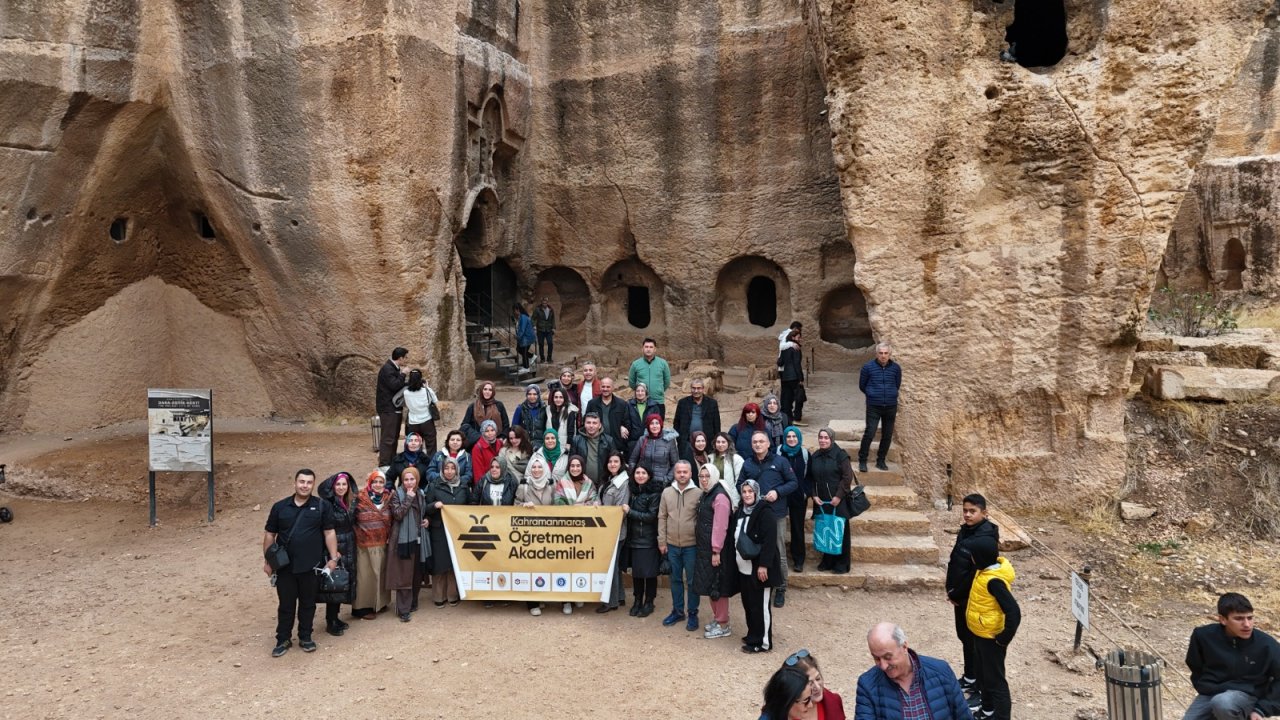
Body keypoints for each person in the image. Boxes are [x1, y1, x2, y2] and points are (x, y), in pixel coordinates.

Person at [263, 469, 338, 657]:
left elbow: (329, 533)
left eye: (309, 482)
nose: (305, 485)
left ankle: (305, 637)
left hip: (311, 566)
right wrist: (268, 561)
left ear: (313, 485)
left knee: (308, 603)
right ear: (295, 483)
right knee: (286, 605)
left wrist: (333, 558)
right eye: (302, 481)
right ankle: (283, 639)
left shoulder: (321, 507)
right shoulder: (280, 507)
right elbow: (270, 534)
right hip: (284, 567)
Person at [1183, 592, 1280, 720]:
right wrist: (1205, 686)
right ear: (1222, 619)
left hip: (1247, 695)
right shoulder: (1202, 636)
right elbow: (1195, 665)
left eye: (1250, 618)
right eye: (1239, 619)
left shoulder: (1267, 644)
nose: (1247, 624)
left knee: (1223, 703)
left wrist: (1262, 709)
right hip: (1211, 693)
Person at [947, 493, 1001, 707]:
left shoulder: (985, 539)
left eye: (972, 511)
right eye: (965, 510)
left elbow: (976, 573)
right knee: (965, 638)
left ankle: (980, 688)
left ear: (984, 513)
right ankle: (970, 676)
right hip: (959, 597)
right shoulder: (966, 531)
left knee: (977, 645)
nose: (968, 515)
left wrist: (957, 593)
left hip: (972, 599)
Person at [855, 622, 971, 720]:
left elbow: (964, 716)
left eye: (888, 657)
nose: (883, 666)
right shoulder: (867, 684)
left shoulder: (941, 671)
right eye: (876, 658)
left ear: (904, 647)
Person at [742, 430, 798, 608]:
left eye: (761, 441)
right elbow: (739, 484)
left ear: (768, 443)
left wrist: (777, 492)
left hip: (776, 513)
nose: (758, 444)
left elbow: (793, 482)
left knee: (779, 551)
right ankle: (762, 583)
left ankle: (781, 587)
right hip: (755, 514)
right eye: (755, 442)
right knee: (758, 549)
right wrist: (748, 495)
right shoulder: (748, 463)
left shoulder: (780, 461)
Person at [966, 536, 1020, 720]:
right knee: (983, 675)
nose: (971, 558)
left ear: (979, 557)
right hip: (980, 633)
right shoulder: (983, 572)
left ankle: (1002, 716)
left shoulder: (994, 581)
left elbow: (1013, 611)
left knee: (996, 681)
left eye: (972, 555)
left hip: (991, 638)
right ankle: (987, 709)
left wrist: (1003, 638)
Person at [735, 478, 781, 653]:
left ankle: (763, 642)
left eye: (750, 492)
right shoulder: (740, 511)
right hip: (744, 568)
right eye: (744, 492)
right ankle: (753, 635)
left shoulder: (765, 511)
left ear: (756, 493)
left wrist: (764, 565)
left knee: (760, 606)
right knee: (749, 604)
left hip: (759, 568)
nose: (747, 495)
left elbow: (770, 541)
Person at [658, 460, 703, 631]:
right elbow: (662, 517)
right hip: (671, 545)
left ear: (691, 473)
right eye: (679, 472)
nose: (682, 474)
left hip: (692, 545)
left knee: (691, 581)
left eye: (685, 471)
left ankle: (692, 613)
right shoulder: (667, 492)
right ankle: (677, 611)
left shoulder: (699, 493)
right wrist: (662, 541)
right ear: (674, 473)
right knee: (675, 579)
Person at [692, 463, 735, 640]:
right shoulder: (708, 493)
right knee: (710, 585)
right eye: (701, 476)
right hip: (706, 548)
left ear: (714, 476)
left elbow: (720, 525)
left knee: (718, 586)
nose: (704, 479)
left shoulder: (720, 497)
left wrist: (716, 551)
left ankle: (723, 624)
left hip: (717, 551)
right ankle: (718, 619)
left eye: (707, 476)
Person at [553, 455, 599, 615]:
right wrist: (579, 507)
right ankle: (566, 600)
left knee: (580, 564)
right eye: (572, 466)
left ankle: (578, 594)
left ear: (582, 467)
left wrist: (579, 506)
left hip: (583, 530)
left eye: (578, 466)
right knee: (565, 565)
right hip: (565, 531)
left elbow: (595, 501)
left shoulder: (589, 483)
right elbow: (558, 502)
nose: (575, 468)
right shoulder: (562, 482)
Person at [385, 466, 429, 622]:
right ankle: (403, 609)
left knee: (416, 573)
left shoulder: (421, 493)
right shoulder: (397, 494)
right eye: (406, 479)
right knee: (404, 574)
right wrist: (408, 498)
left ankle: (413, 602)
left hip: (418, 538)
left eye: (412, 479)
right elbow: (398, 514)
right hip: (402, 540)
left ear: (417, 480)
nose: (409, 482)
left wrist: (426, 520)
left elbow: (422, 512)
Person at [425, 457, 470, 607]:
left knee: (454, 562)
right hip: (439, 529)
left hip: (457, 530)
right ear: (442, 469)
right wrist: (434, 505)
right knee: (440, 563)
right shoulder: (434, 485)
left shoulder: (463, 485)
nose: (449, 471)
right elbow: (426, 507)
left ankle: (452, 594)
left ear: (457, 470)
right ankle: (439, 596)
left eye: (452, 468)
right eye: (446, 468)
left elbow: (470, 505)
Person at [317, 472, 358, 636]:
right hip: (336, 547)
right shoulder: (327, 504)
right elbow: (325, 529)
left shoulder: (348, 502)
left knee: (342, 581)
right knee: (334, 582)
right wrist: (332, 551)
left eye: (344, 484)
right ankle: (331, 620)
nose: (341, 487)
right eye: (338, 484)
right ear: (332, 486)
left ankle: (335, 617)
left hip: (349, 544)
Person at [516, 454, 556, 617]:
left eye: (540, 467)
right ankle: (532, 602)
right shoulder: (524, 486)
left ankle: (542, 597)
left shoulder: (552, 486)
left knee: (545, 566)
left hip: (547, 534)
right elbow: (515, 505)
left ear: (545, 469)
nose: (537, 470)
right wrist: (523, 505)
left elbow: (557, 507)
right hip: (529, 534)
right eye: (534, 467)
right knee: (530, 567)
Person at [809, 427, 853, 574]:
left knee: (840, 531)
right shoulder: (815, 456)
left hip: (838, 500)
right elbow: (810, 478)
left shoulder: (841, 455)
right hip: (822, 501)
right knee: (826, 530)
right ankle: (827, 561)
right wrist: (814, 495)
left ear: (832, 439)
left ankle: (842, 563)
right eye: (820, 437)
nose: (823, 440)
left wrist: (838, 496)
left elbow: (847, 477)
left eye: (826, 438)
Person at [622, 464, 662, 618]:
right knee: (637, 573)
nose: (640, 475)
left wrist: (630, 512)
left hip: (648, 539)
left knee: (650, 574)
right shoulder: (632, 491)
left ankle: (649, 601)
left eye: (643, 473)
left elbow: (651, 516)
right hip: (633, 539)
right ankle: (637, 600)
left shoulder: (654, 494)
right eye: (637, 473)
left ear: (649, 475)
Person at [352, 470, 392, 620]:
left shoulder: (388, 498)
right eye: (375, 482)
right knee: (365, 577)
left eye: (381, 482)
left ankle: (379, 604)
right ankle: (361, 608)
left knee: (380, 574)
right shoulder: (360, 498)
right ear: (370, 483)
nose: (378, 485)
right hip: (364, 545)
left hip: (382, 543)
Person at [858, 343, 901, 473]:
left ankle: (881, 460)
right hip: (874, 406)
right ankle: (862, 460)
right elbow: (862, 385)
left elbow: (897, 384)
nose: (883, 356)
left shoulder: (896, 368)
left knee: (887, 435)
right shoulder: (868, 367)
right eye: (881, 353)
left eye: (886, 353)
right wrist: (872, 394)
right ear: (876, 354)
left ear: (889, 354)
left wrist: (890, 394)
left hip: (890, 406)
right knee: (870, 432)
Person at [597, 451, 631, 613]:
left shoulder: (624, 483)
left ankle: (611, 602)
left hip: (616, 531)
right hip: (606, 530)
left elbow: (620, 510)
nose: (612, 464)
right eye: (610, 461)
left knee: (610, 566)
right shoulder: (608, 479)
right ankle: (619, 597)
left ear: (621, 463)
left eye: (616, 461)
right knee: (615, 565)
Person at [777, 426, 811, 573]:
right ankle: (779, 558)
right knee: (778, 528)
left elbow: (809, 476)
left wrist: (805, 492)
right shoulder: (779, 452)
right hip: (781, 495)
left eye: (794, 436)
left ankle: (798, 560)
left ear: (799, 438)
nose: (791, 439)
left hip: (798, 496)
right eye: (788, 437)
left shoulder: (804, 454)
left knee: (797, 528)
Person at [784, 649, 847, 720]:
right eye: (810, 684)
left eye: (818, 679)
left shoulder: (834, 702)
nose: (817, 687)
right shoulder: (781, 714)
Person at [375, 347, 409, 466]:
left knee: (394, 437)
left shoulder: (393, 368)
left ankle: (392, 462)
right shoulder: (387, 368)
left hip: (393, 408)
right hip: (388, 409)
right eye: (405, 357)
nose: (406, 360)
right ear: (400, 358)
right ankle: (384, 464)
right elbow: (394, 385)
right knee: (388, 438)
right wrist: (403, 374)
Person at [586, 377, 638, 452]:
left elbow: (628, 423)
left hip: (616, 444)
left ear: (613, 388)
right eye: (603, 386)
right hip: (596, 444)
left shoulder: (622, 404)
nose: (605, 389)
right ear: (600, 387)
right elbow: (586, 421)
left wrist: (622, 427)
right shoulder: (592, 403)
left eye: (608, 387)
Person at [674, 378, 721, 459]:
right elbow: (676, 423)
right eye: (694, 388)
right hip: (686, 442)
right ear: (691, 388)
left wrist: (714, 442)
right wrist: (680, 439)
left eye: (698, 388)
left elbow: (716, 424)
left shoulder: (712, 403)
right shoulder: (683, 403)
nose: (696, 391)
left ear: (703, 389)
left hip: (706, 443)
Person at [570, 412, 618, 489]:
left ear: (600, 425)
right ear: (584, 424)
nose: (591, 426)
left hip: (603, 483)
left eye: (594, 423)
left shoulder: (609, 441)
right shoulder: (576, 440)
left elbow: (615, 462)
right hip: (582, 483)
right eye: (588, 422)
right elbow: (571, 462)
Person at [630, 413, 679, 486]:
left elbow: (675, 464)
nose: (654, 426)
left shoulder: (669, 440)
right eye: (651, 423)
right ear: (648, 426)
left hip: (662, 483)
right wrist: (635, 476)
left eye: (657, 423)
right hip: (644, 481)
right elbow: (632, 460)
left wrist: (667, 479)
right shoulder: (642, 439)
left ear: (661, 425)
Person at [628, 338, 672, 418]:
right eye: (646, 347)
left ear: (655, 349)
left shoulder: (663, 363)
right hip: (641, 402)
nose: (648, 349)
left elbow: (667, 381)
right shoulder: (635, 364)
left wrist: (659, 390)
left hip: (658, 401)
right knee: (640, 424)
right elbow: (631, 382)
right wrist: (640, 392)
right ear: (642, 349)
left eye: (651, 347)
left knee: (658, 424)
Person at [461, 381, 509, 450]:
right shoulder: (473, 406)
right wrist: (478, 437)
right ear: (481, 390)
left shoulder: (499, 405)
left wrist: (502, 437)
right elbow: (465, 425)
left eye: (490, 390)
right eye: (485, 389)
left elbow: (506, 424)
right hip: (476, 443)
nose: (487, 392)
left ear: (493, 392)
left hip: (495, 442)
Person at [401, 369, 439, 455]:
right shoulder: (427, 391)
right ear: (420, 379)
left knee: (415, 446)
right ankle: (431, 461)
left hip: (413, 422)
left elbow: (406, 404)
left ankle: (416, 462)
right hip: (427, 421)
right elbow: (435, 401)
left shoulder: (406, 393)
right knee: (431, 445)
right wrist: (427, 387)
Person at [778, 329, 806, 424]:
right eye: (798, 337)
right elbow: (797, 364)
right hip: (794, 376)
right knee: (799, 396)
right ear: (793, 337)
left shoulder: (784, 348)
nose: (800, 339)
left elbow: (780, 362)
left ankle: (787, 418)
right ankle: (797, 417)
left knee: (787, 398)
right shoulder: (796, 348)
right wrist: (801, 378)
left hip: (785, 376)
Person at [709, 432, 744, 504]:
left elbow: (739, 480)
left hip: (730, 495)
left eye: (723, 442)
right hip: (713, 495)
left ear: (728, 443)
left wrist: (736, 499)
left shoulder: (736, 459)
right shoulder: (710, 458)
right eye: (718, 442)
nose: (720, 444)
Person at [470, 420, 504, 485]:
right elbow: (478, 472)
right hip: (486, 482)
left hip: (500, 480)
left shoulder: (500, 443)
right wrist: (482, 486)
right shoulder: (477, 448)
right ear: (483, 433)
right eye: (487, 431)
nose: (490, 433)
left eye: (492, 430)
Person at [534, 296, 556, 363]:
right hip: (540, 329)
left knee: (550, 343)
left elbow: (553, 319)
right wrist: (534, 326)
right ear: (541, 303)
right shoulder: (537, 309)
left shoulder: (551, 309)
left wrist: (553, 327)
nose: (544, 304)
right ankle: (542, 359)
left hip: (549, 329)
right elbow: (533, 318)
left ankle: (549, 358)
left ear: (547, 303)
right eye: (543, 303)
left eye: (545, 303)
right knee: (541, 344)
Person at [514, 303, 536, 368]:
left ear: (518, 310)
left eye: (514, 310)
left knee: (524, 352)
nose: (514, 312)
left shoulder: (523, 317)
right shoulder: (522, 317)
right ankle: (532, 356)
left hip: (527, 337)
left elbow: (522, 329)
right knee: (519, 349)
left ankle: (526, 367)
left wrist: (518, 336)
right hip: (525, 337)